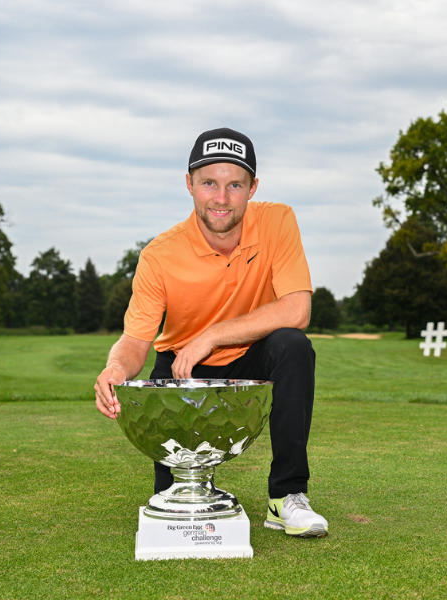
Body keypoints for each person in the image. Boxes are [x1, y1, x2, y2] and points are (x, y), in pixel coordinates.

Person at [94, 127, 328, 538]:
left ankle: (286, 496)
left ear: (253, 187)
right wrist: (116, 369)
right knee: (173, 504)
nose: (221, 198)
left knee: (293, 346)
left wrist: (214, 334)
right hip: (180, 369)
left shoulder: (278, 221)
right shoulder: (159, 254)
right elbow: (135, 340)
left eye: (235, 184)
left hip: (250, 358)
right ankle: (184, 492)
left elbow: (297, 308)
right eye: (209, 184)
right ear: (189, 184)